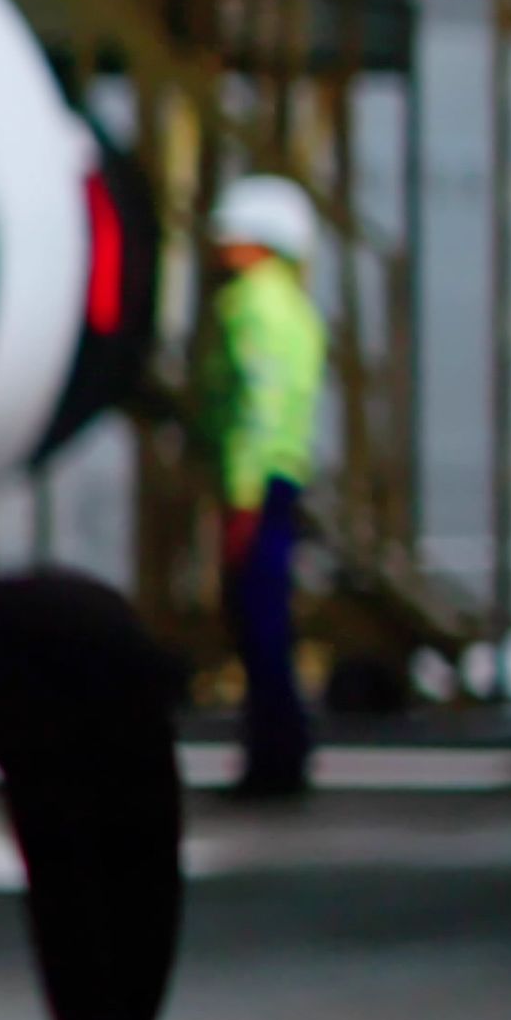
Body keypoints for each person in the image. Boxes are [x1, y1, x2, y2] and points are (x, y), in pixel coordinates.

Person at [204, 170, 330, 799]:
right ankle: (280, 753)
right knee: (269, 623)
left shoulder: (253, 304)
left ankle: (274, 761)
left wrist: (242, 495)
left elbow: (256, 405)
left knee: (258, 627)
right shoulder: (293, 305)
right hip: (283, 476)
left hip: (257, 483)